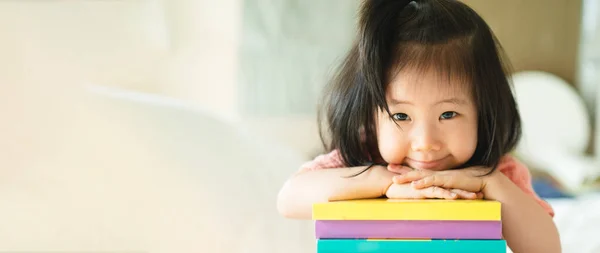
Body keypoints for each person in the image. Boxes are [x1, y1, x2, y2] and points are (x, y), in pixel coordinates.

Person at [276, 0, 561, 252]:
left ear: (483, 111)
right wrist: (383, 181)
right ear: (370, 117)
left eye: (448, 114)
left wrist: (492, 184)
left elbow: (547, 249)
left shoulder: (496, 171)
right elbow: (288, 199)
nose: (425, 142)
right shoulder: (363, 158)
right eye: (401, 116)